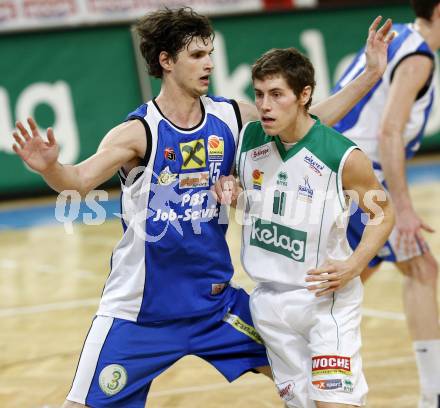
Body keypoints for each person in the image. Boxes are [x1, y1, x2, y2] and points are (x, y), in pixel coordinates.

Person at [11, 7, 393, 408]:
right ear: (166, 61)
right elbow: (78, 181)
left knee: (310, 385)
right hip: (141, 313)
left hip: (216, 308)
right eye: (196, 55)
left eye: (210, 52)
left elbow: (305, 123)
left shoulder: (230, 116)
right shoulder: (139, 133)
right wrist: (51, 167)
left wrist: (369, 74)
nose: (209, 62)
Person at [215, 47, 394, 408]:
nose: (265, 105)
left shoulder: (340, 155)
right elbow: (256, 200)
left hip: (325, 301)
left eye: (276, 94)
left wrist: (355, 265)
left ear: (304, 95)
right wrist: (233, 193)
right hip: (269, 305)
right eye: (260, 94)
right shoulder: (248, 141)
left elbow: (384, 213)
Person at [332, 1, 440, 406]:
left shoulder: (399, 39)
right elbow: (390, 132)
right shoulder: (417, 57)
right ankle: (433, 394)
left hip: (338, 165)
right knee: (421, 267)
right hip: (361, 174)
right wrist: (404, 209)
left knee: (350, 279)